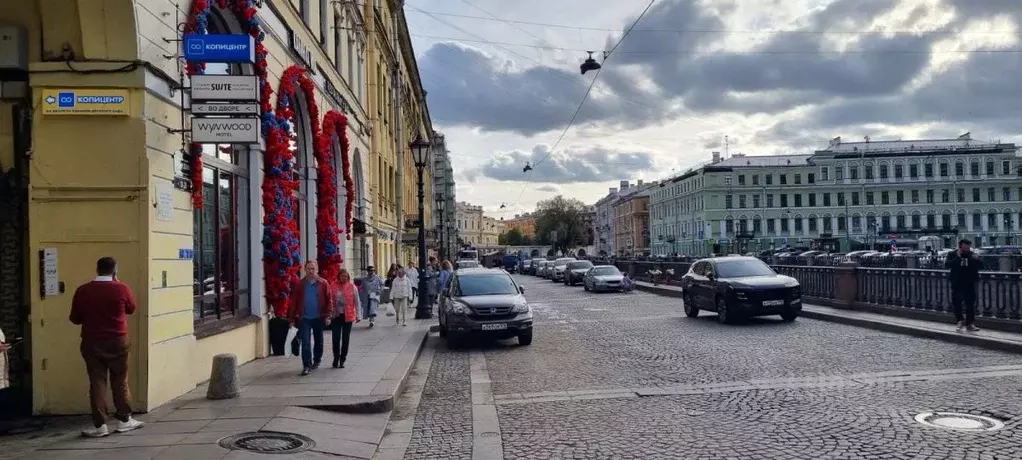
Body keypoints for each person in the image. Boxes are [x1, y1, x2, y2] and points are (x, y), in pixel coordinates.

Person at [69, 257, 144, 437]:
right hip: (118, 341)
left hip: (92, 342)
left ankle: (100, 426)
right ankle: (124, 420)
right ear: (115, 270)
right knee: (120, 379)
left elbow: (75, 318)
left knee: (97, 382)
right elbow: (131, 309)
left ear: (97, 269)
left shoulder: (83, 290)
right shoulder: (121, 288)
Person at [288, 261, 335, 376]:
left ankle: (317, 359)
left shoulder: (323, 283)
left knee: (319, 341)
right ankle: (306, 365)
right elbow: (294, 302)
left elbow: (329, 301)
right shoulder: (300, 284)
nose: (311, 271)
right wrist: (291, 319)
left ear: (317, 269)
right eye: (309, 269)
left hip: (319, 317)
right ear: (305, 270)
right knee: (306, 342)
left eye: (313, 269)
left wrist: (328, 315)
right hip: (305, 318)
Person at [946, 239, 982, 333]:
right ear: (961, 246)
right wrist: (957, 258)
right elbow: (947, 265)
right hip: (957, 282)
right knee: (957, 303)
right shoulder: (952, 254)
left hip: (969, 282)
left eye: (968, 246)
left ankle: (970, 323)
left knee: (970, 304)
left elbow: (981, 265)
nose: (967, 248)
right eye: (965, 246)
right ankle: (959, 321)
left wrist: (977, 258)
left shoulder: (972, 254)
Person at [330, 269, 360, 368]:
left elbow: (357, 302)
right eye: (342, 276)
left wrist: (358, 315)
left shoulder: (352, 287)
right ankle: (336, 357)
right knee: (335, 338)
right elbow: (329, 299)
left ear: (348, 277)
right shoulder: (333, 286)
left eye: (345, 276)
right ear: (338, 276)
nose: (343, 278)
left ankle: (343, 359)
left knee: (345, 339)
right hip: (336, 315)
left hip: (348, 315)